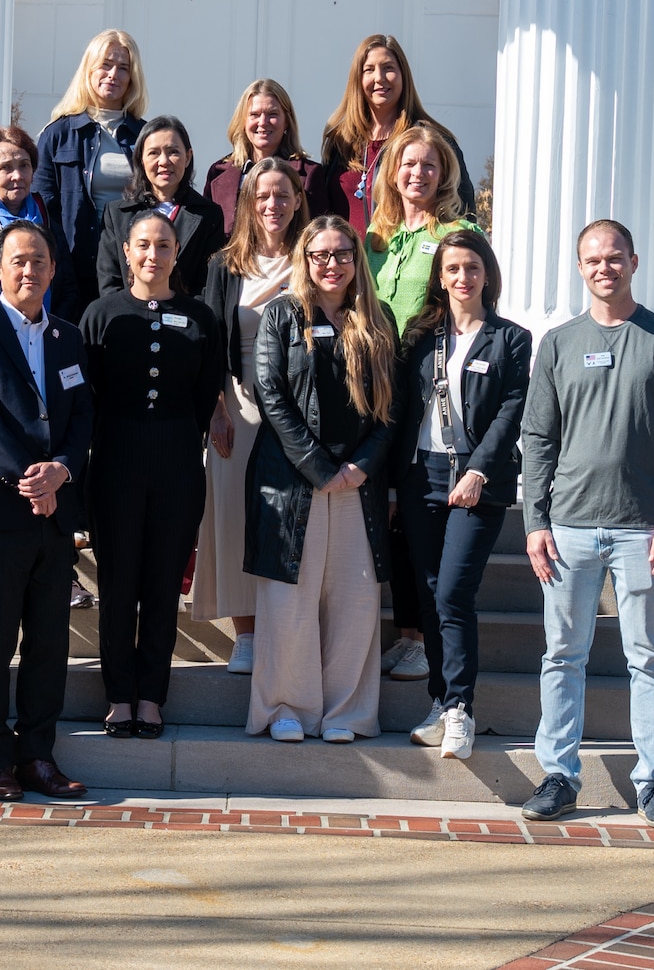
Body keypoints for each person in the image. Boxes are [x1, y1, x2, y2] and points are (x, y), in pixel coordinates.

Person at [518, 219, 654, 829]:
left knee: (649, 657)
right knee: (563, 654)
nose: (604, 267)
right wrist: (535, 518)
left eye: (614, 257)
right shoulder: (560, 343)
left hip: (641, 528)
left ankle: (653, 781)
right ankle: (560, 776)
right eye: (593, 258)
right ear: (580, 267)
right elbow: (538, 437)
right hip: (567, 525)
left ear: (634, 261)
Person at [0, 220, 95, 801]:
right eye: (17, 261)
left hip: (55, 516)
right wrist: (30, 480)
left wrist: (63, 468)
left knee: (49, 641)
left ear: (53, 269)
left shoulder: (68, 337)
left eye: (39, 261)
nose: (28, 270)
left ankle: (38, 755)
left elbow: (84, 415)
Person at [246, 216, 398, 744]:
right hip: (291, 481)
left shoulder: (377, 322)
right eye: (321, 255)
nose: (331, 265)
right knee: (290, 603)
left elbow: (391, 412)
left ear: (357, 261)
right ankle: (288, 706)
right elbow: (270, 392)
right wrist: (317, 467)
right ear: (305, 260)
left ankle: (346, 713)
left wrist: (360, 468)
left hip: (358, 484)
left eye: (342, 254)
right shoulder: (284, 315)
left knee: (355, 603)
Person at [81, 212, 225, 737]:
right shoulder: (100, 315)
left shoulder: (200, 317)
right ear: (126, 251)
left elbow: (206, 392)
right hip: (116, 459)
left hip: (178, 462)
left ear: (176, 253)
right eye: (143, 245)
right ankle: (119, 695)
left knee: (163, 585)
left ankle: (151, 697)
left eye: (163, 246)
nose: (152, 255)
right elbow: (87, 394)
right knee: (119, 584)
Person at [391, 230, 531, 760]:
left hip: (477, 480)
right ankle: (441, 705)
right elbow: (404, 411)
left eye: (472, 267)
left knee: (452, 592)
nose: (463, 277)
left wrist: (478, 471)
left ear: (487, 274)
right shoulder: (420, 336)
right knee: (428, 594)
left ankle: (461, 710)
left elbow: (510, 410)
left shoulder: (511, 338)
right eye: (453, 269)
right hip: (420, 475)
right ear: (441, 277)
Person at [366, 126, 482, 683]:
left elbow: (464, 302)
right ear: (393, 171)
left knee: (414, 512)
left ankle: (416, 635)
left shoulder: (458, 232)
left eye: (428, 165)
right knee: (386, 513)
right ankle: (401, 627)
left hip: (423, 382)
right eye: (407, 163)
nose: (417, 173)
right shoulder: (376, 237)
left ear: (444, 173)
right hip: (371, 384)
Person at [195, 158, 310, 674]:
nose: (272, 205)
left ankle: (288, 627)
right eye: (262, 196)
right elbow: (208, 341)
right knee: (235, 514)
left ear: (297, 200)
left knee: (294, 518)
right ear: (246, 203)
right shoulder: (225, 263)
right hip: (238, 404)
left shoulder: (313, 257)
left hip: (303, 403)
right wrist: (215, 408)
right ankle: (245, 633)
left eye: (282, 195)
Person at [34, 29, 149, 322]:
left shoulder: (145, 135)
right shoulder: (57, 134)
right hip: (73, 268)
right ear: (89, 70)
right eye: (106, 65)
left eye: (123, 68)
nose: (113, 74)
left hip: (129, 269)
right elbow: (44, 211)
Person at [318, 33, 475, 236]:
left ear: (403, 75)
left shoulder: (431, 142)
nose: (379, 78)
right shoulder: (340, 142)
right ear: (358, 79)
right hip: (347, 264)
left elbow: (463, 213)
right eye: (369, 70)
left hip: (403, 263)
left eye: (388, 68)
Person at [94, 116, 223, 298]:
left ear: (188, 157)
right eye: (154, 153)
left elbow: (208, 287)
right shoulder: (116, 214)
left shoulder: (209, 215)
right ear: (140, 159)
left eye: (173, 152)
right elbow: (109, 282)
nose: (164, 161)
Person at [201, 79, 343, 233]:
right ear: (243, 121)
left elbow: (318, 235)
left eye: (272, 114)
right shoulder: (218, 173)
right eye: (254, 115)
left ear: (287, 121)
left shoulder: (309, 174)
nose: (263, 122)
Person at [0, 124, 70, 300]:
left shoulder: (49, 221)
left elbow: (67, 288)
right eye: (6, 167)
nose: (18, 176)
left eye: (24, 166)